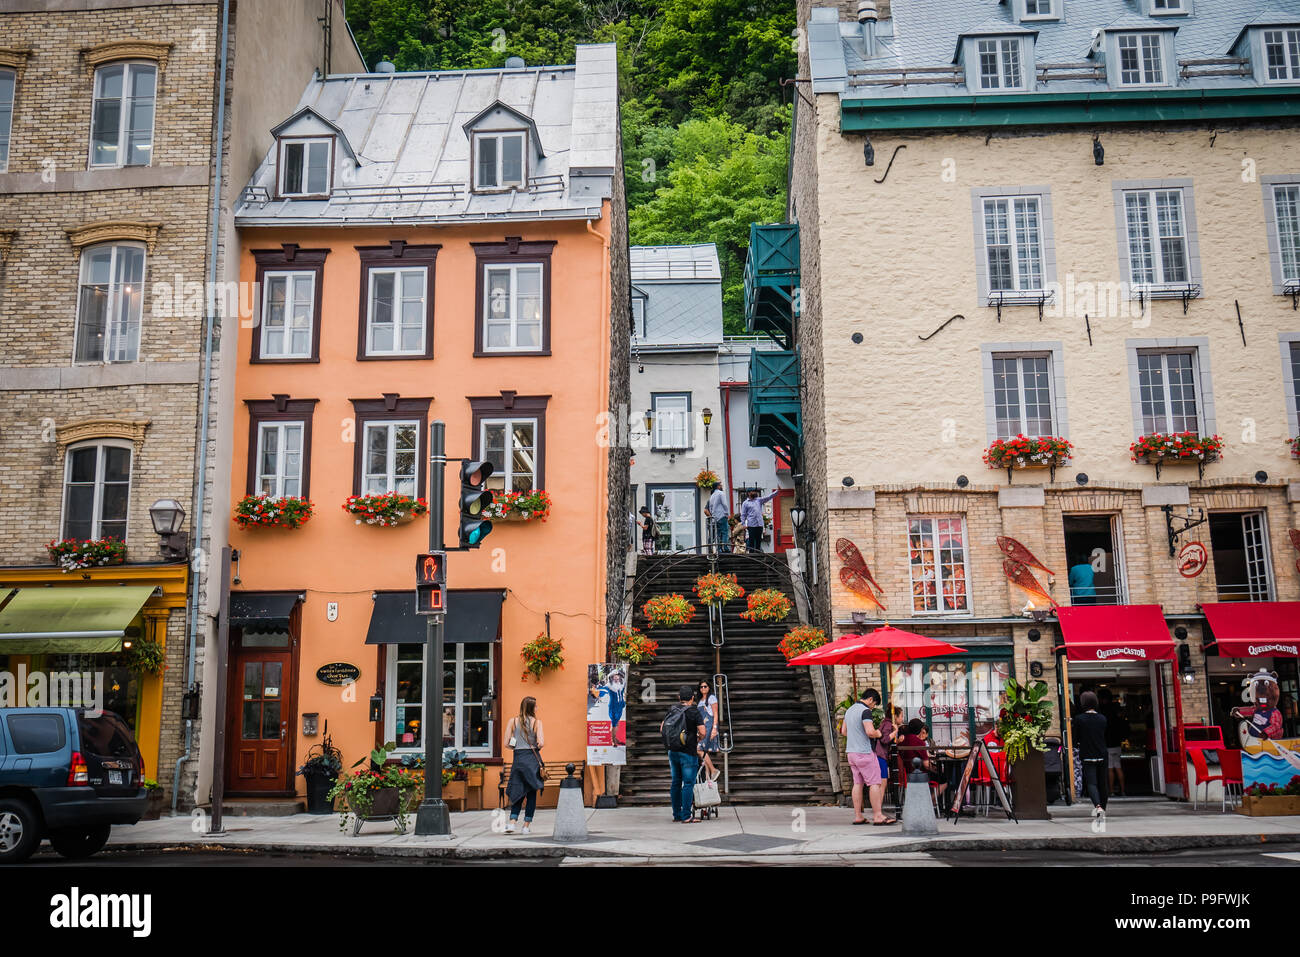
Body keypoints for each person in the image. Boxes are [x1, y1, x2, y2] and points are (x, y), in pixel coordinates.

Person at [842, 688, 894, 825]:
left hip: (851, 753)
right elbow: (870, 732)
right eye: (874, 704)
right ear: (870, 699)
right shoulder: (865, 711)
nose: (873, 707)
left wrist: (857, 736)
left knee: (857, 783)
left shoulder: (849, 710)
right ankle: (878, 816)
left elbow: (844, 731)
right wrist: (879, 734)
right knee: (875, 783)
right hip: (864, 753)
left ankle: (858, 816)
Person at [661, 685, 706, 823]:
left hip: (672, 751)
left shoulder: (672, 709)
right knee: (688, 783)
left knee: (675, 782)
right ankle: (686, 816)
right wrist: (698, 739)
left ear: (679, 697)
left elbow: (662, 727)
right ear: (692, 698)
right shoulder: (694, 711)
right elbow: (703, 732)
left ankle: (677, 814)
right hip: (688, 752)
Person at [503, 696, 546, 834]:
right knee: (531, 792)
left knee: (518, 790)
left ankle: (512, 822)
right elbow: (541, 743)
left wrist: (516, 746)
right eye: (536, 706)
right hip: (532, 761)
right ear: (532, 708)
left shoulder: (513, 721)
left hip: (518, 760)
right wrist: (534, 744)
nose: (537, 708)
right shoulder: (537, 723)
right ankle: (526, 826)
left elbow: (507, 743)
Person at [1074, 691, 1109, 817]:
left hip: (1087, 753)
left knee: (1091, 783)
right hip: (1102, 753)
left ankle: (1097, 806)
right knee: (1103, 783)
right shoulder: (1102, 718)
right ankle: (1103, 808)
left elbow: (1075, 738)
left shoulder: (1079, 719)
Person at [1098, 688, 1129, 796]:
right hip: (1117, 744)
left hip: (1108, 744)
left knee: (1110, 768)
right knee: (1118, 767)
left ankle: (1111, 791)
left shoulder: (1103, 711)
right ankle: (1123, 790)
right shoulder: (1116, 710)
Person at [739, 488, 779, 553]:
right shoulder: (745, 503)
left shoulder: (759, 500)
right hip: (751, 525)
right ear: (748, 493)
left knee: (758, 541)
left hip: (759, 524)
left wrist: (776, 492)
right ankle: (752, 556)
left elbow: (768, 497)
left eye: (755, 491)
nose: (755, 492)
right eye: (753, 491)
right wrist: (743, 524)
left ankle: (758, 555)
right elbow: (743, 515)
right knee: (751, 541)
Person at [696, 678, 721, 782]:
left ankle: (714, 770)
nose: (703, 688)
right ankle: (707, 774)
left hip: (709, 727)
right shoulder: (700, 700)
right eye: (701, 687)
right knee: (704, 751)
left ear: (709, 687)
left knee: (698, 749)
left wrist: (714, 729)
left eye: (705, 686)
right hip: (702, 728)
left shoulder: (712, 698)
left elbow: (715, 715)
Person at [706, 482, 730, 554]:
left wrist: (713, 515)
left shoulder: (712, 496)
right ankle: (725, 548)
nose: (721, 486)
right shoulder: (721, 493)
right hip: (721, 515)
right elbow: (724, 504)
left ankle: (719, 549)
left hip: (715, 517)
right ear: (718, 486)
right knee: (725, 532)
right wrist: (726, 513)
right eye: (720, 485)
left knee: (718, 533)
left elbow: (710, 507)